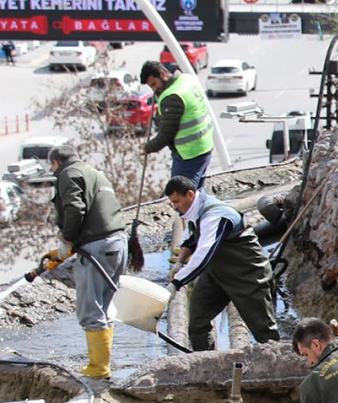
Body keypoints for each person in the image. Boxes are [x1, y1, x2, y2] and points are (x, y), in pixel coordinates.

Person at [40, 144, 127, 379]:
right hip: (117, 243)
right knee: (105, 304)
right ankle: (103, 365)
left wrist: (67, 240)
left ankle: (98, 369)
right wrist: (62, 251)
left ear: (56, 162)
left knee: (91, 308)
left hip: (97, 247)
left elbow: (75, 208)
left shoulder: (68, 173)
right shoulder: (94, 172)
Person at [165, 175, 281, 351]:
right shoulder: (195, 210)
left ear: (189, 194)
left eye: (177, 201)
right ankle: (205, 364)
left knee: (264, 331)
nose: (175, 207)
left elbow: (204, 252)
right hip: (216, 274)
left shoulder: (214, 215)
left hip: (247, 274)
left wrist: (177, 283)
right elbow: (191, 240)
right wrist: (179, 263)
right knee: (197, 322)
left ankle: (278, 367)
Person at [141, 60, 216, 187]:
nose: (154, 89)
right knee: (197, 194)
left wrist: (148, 147)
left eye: (154, 84)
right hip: (204, 146)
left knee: (182, 198)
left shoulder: (171, 96)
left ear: (162, 74)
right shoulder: (186, 79)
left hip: (189, 153)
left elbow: (167, 134)